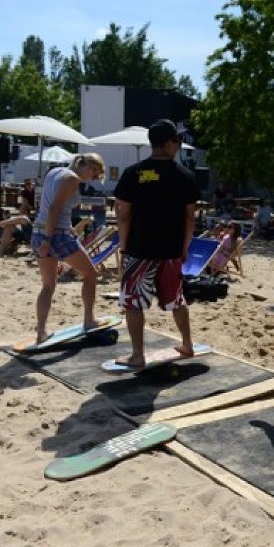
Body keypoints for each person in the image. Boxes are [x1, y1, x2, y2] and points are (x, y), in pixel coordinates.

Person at [114, 119, 199, 367]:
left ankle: (138, 355)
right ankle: (187, 344)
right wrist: (184, 247)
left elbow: (123, 215)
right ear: (170, 143)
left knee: (133, 302)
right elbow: (189, 217)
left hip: (139, 248)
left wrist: (124, 245)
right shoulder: (185, 176)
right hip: (171, 250)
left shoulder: (134, 173)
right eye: (178, 141)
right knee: (176, 300)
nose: (179, 146)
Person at [30, 153, 106, 343]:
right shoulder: (72, 179)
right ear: (89, 167)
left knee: (48, 285)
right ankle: (89, 320)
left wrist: (63, 229)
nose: (93, 179)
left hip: (39, 231)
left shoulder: (54, 171)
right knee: (91, 274)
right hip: (55, 235)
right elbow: (55, 208)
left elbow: (49, 205)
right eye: (95, 174)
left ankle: (41, 332)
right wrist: (49, 238)